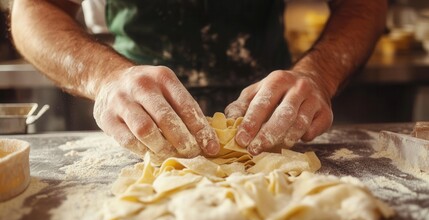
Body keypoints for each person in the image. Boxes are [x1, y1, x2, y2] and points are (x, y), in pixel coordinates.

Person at [10, 0, 387, 159]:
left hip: (274, 114)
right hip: (134, 115)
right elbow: (34, 7)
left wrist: (317, 74)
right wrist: (106, 76)